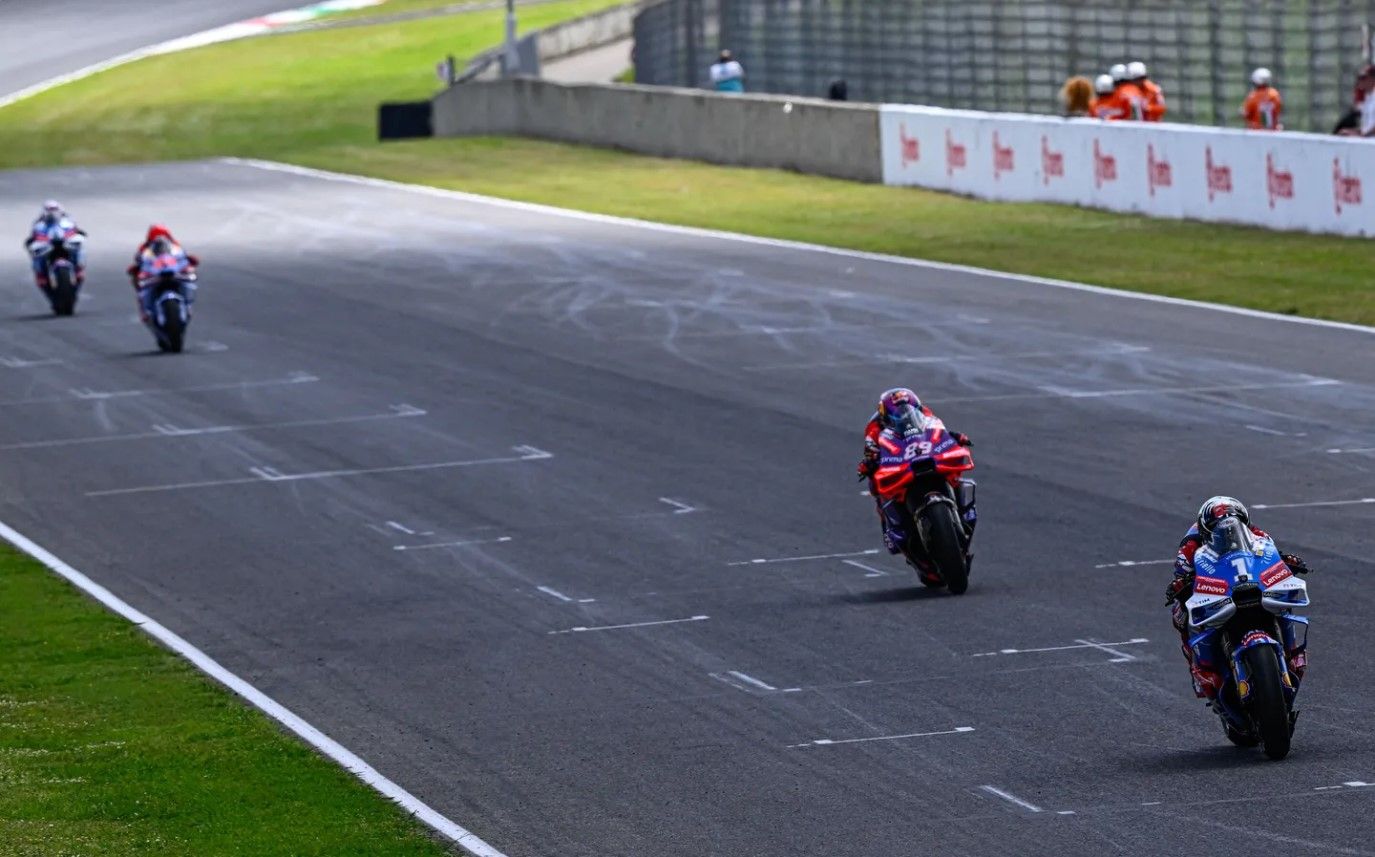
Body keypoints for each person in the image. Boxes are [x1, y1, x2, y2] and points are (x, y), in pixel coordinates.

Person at [1164, 496, 1311, 700]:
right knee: (1180, 612)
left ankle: (1291, 651)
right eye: (1220, 528)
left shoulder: (1256, 533)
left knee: (1282, 593)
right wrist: (1180, 585)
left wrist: (1287, 561)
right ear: (1206, 529)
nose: (1230, 532)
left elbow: (1272, 554)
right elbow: (1181, 574)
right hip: (1216, 588)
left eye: (1236, 525)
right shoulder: (1190, 544)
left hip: (1247, 582)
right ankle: (1199, 668)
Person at [856, 388, 975, 578]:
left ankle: (962, 511)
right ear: (884, 414)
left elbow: (938, 430)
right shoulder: (874, 426)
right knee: (875, 486)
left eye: (907, 409)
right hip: (897, 460)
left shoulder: (924, 413)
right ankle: (891, 526)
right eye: (897, 412)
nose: (903, 414)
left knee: (956, 477)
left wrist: (955, 436)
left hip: (923, 454)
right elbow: (870, 449)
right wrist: (869, 462)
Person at [127, 224, 199, 323]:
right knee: (138, 285)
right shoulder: (144, 248)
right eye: (156, 235)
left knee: (190, 278)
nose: (159, 238)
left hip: (173, 271)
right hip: (154, 274)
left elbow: (184, 258)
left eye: (162, 235)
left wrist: (188, 264)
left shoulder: (175, 246)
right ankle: (144, 310)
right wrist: (136, 270)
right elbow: (139, 261)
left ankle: (188, 304)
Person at [22, 200, 86, 291]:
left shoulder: (68, 221)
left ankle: (79, 268)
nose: (52, 213)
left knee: (79, 248)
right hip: (48, 246)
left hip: (65, 244)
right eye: (50, 210)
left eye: (55, 209)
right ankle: (40, 274)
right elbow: (33, 237)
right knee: (36, 255)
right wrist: (33, 241)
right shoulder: (39, 224)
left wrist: (77, 234)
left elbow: (77, 231)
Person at [1338, 65, 1375, 137]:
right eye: (1359, 78)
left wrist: (1362, 135)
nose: (1360, 81)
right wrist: (1353, 132)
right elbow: (1367, 126)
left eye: (1363, 78)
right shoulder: (1367, 98)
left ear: (1373, 79)